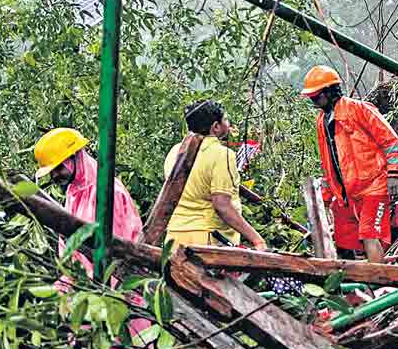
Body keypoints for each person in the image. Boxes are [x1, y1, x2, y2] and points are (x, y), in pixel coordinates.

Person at [303, 65, 398, 263]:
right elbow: (329, 162)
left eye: (316, 97)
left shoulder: (359, 109)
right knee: (344, 241)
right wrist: (325, 196)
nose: (314, 103)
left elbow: (390, 141)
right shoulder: (322, 121)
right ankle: (352, 287)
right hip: (345, 194)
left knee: (369, 236)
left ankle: (378, 286)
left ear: (330, 92)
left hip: (373, 186)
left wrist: (393, 175)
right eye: (312, 98)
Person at [34, 128, 144, 271]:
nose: (55, 176)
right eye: (51, 171)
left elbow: (118, 251)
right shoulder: (74, 191)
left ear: (75, 156)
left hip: (114, 282)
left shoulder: (108, 191)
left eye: (59, 167)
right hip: (83, 280)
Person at [163, 101, 267, 251]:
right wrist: (257, 240)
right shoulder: (222, 155)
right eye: (225, 119)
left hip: (174, 238)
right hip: (206, 240)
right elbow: (221, 205)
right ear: (216, 127)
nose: (228, 123)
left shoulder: (175, 151)